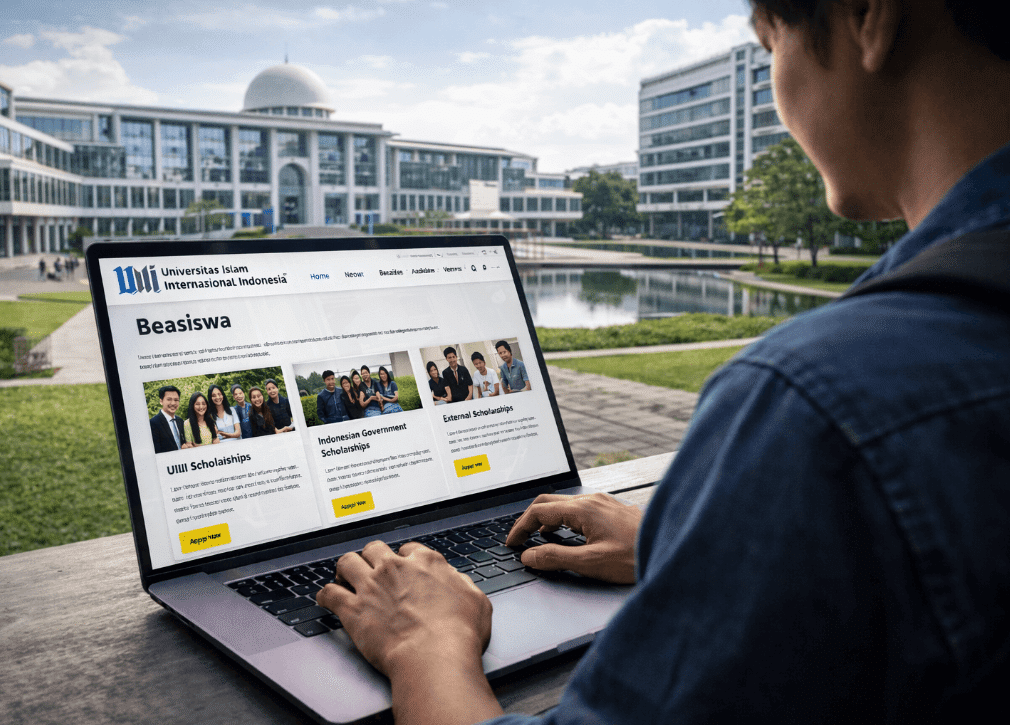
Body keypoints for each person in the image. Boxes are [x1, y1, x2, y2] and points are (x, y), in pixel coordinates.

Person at [313, 1, 1010, 722]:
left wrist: (422, 644)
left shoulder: (821, 405)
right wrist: (711, 547)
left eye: (770, 43)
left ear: (867, 16)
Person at [149, 385, 190, 453]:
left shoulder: (180, 421)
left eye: (176, 400)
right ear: (161, 401)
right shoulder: (153, 423)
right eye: (169, 399)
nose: (173, 403)